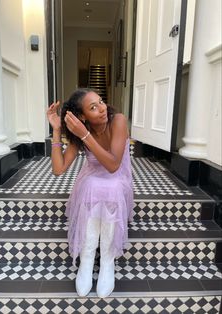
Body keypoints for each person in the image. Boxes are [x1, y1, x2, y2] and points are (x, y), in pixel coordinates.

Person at [47, 88, 134, 298]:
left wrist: (84, 135)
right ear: (82, 117)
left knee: (109, 188)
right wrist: (57, 131)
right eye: (93, 107)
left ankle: (107, 261)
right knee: (93, 187)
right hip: (94, 178)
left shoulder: (118, 120)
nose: (102, 108)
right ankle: (86, 261)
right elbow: (58, 170)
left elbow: (113, 165)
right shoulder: (80, 132)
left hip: (117, 178)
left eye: (101, 102)